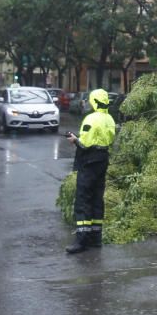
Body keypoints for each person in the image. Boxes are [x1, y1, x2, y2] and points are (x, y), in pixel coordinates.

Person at [65, 88, 116, 254]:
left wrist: (74, 139)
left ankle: (81, 241)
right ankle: (96, 238)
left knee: (83, 199)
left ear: (94, 101)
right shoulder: (109, 118)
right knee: (96, 198)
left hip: (90, 160)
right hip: (103, 159)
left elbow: (85, 143)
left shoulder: (91, 119)